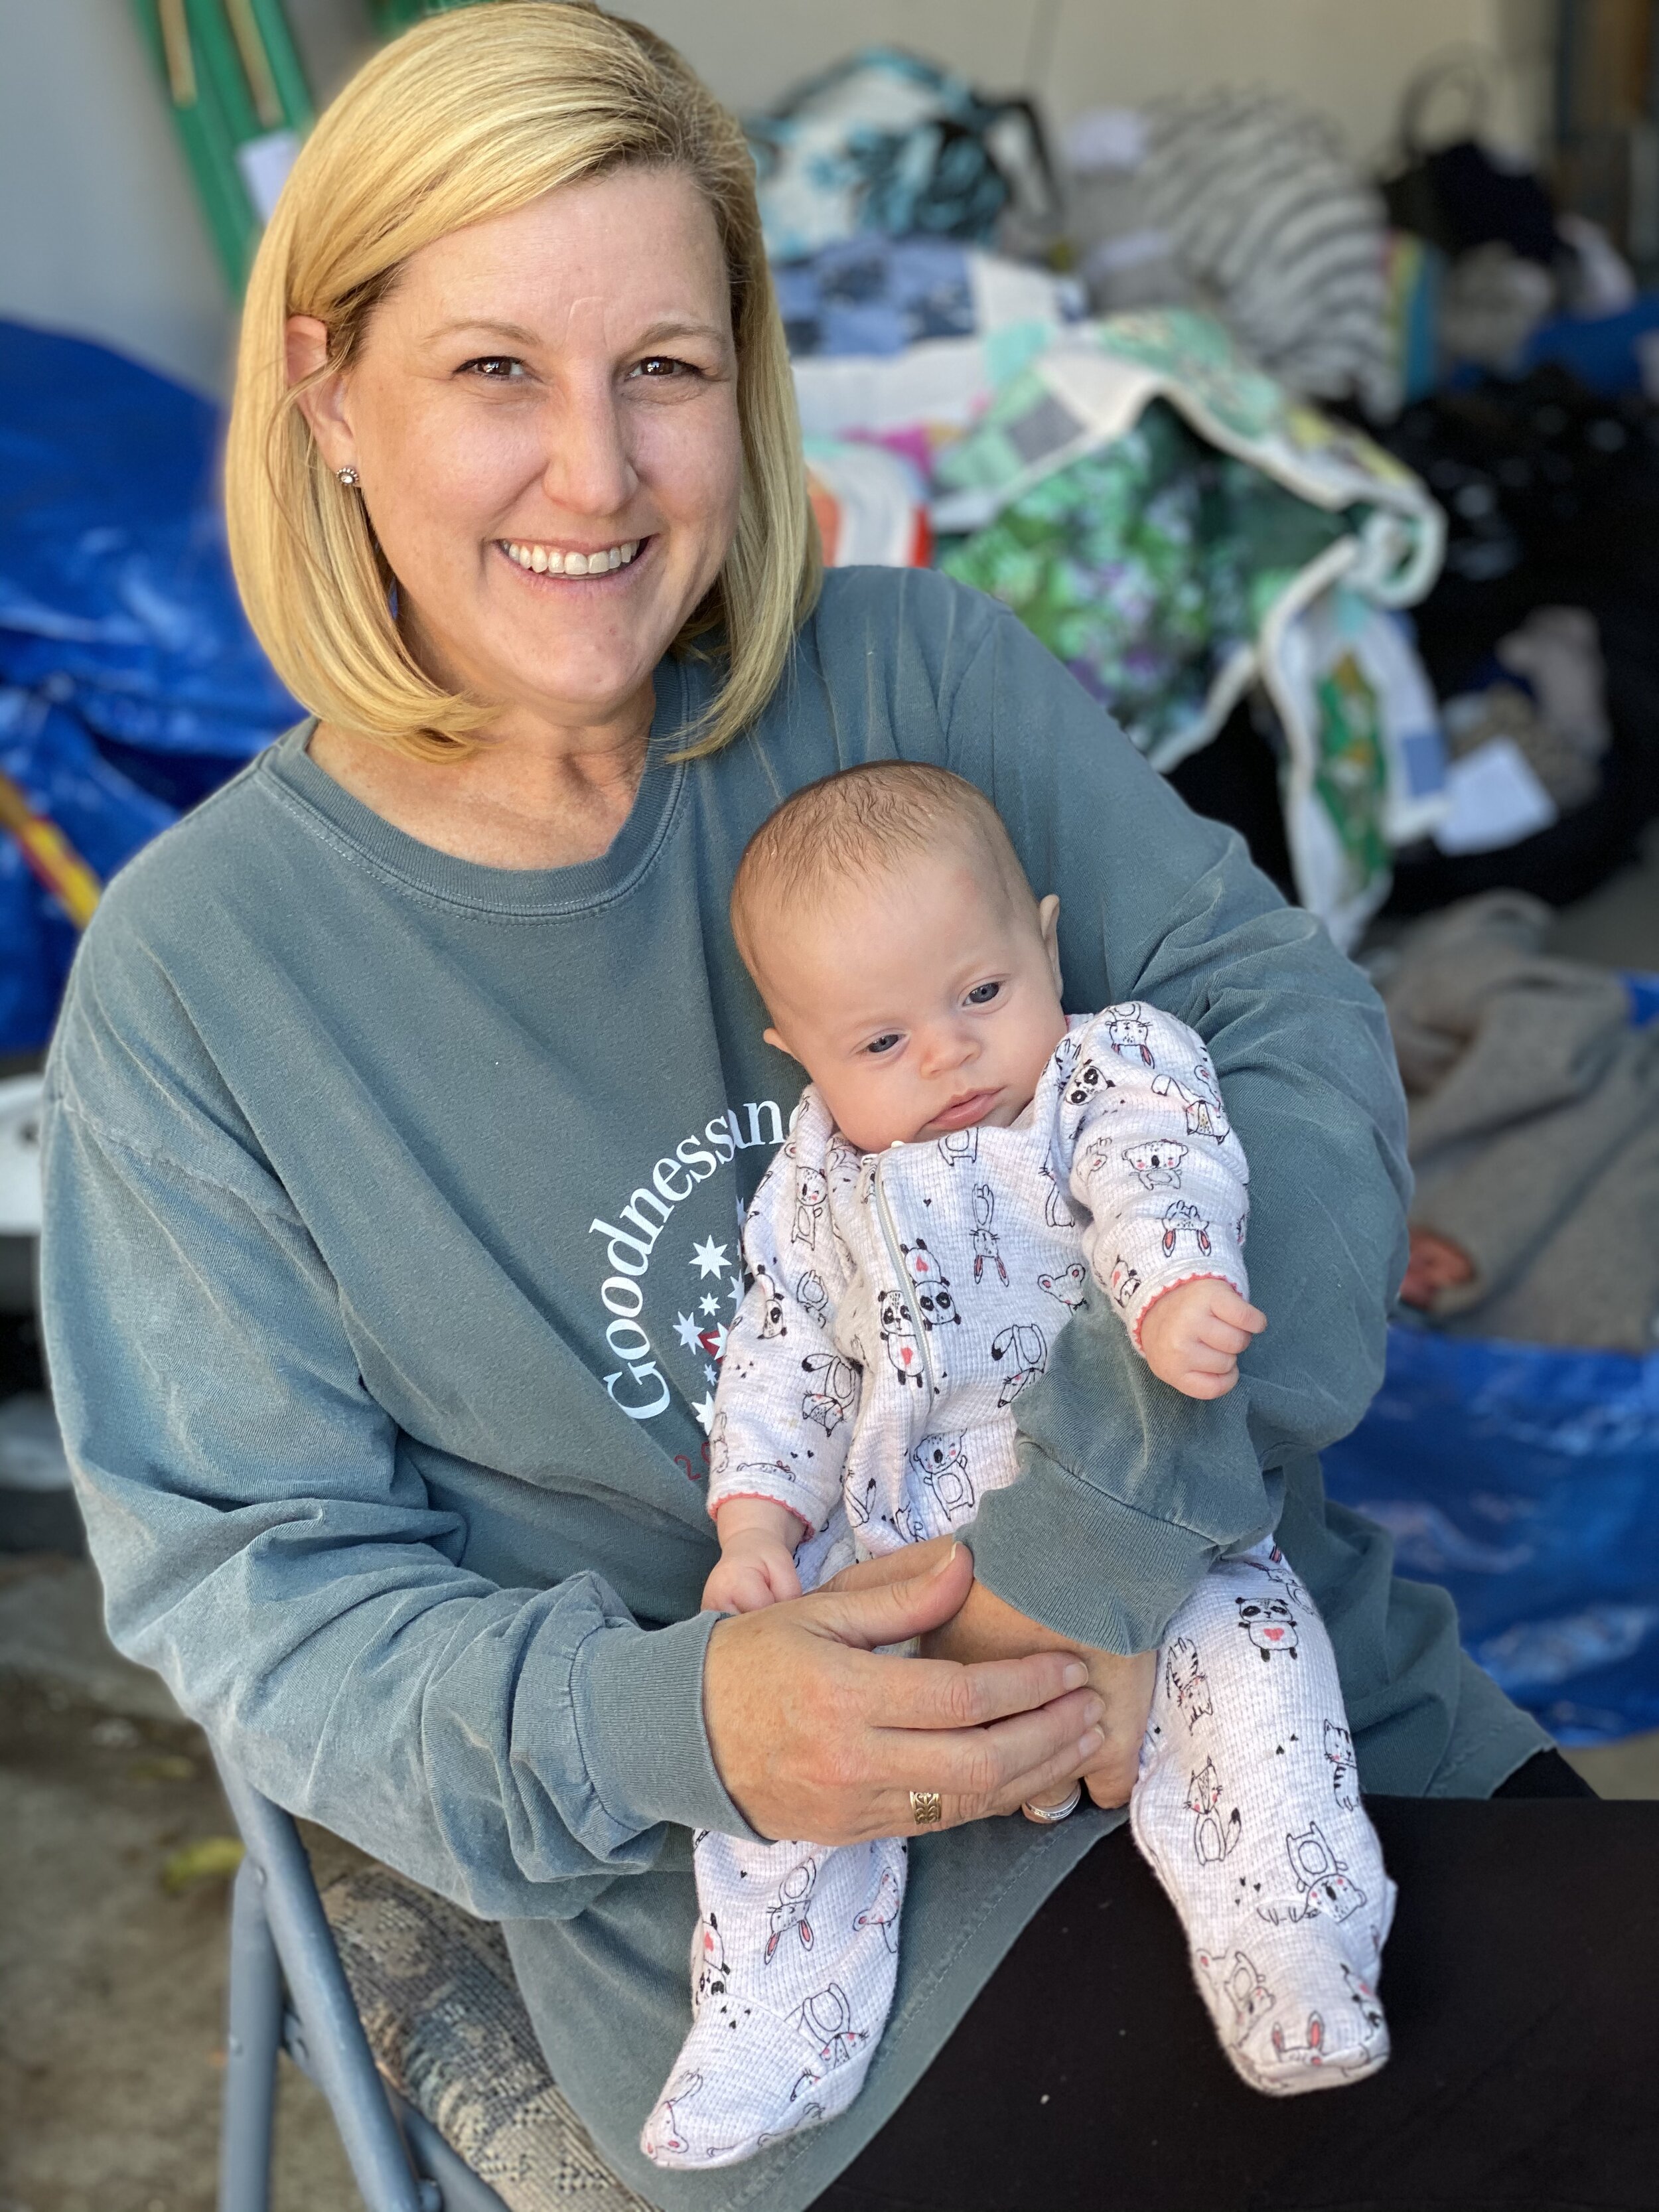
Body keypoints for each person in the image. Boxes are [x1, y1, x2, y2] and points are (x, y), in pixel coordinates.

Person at [35, 10, 1658, 2211]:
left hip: (1311, 1713)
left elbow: (1286, 1054)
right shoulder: (205, 986)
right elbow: (270, 1598)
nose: (597, 477)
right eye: (495, 369)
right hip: (837, 1964)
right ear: (329, 389)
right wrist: (691, 1722)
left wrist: (1078, 1554)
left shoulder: (916, 679)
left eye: (665, 370)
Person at [643, 761, 1392, 2169]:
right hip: (890, 1552)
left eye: (979, 993)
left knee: (1261, 1694)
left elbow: (1162, 1165)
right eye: (877, 1041)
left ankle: (1294, 1945)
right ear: (795, 1052)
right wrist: (755, 1517)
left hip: (1143, 1511)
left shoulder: (1102, 1068)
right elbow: (783, 1349)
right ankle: (768, 2023)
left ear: (1042, 945)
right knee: (783, 1764)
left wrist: (1174, 1292)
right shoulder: (812, 1182)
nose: (946, 1054)